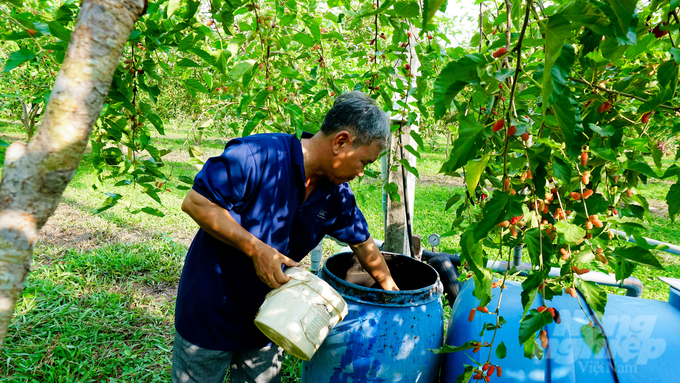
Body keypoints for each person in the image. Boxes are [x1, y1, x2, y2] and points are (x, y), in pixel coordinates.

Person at [172, 91, 399, 383]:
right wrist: (256, 249)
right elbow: (197, 203)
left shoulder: (336, 195)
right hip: (210, 311)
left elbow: (363, 243)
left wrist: (391, 291)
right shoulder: (257, 156)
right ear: (341, 142)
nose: (360, 173)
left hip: (271, 317)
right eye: (364, 162)